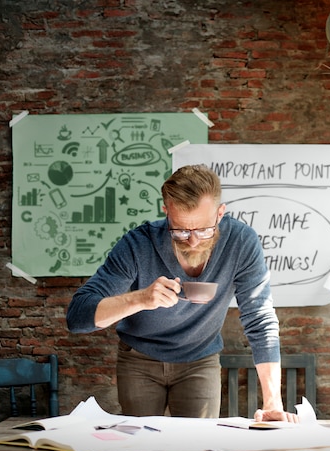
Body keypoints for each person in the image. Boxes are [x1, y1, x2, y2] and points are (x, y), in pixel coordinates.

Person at [66, 164, 296, 424]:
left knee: (199, 448)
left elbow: (259, 319)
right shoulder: (137, 244)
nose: (194, 241)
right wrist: (140, 298)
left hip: (200, 357)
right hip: (139, 358)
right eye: (182, 231)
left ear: (220, 213)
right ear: (167, 212)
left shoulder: (241, 243)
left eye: (204, 230)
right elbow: (78, 317)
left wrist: (273, 402)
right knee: (140, 449)